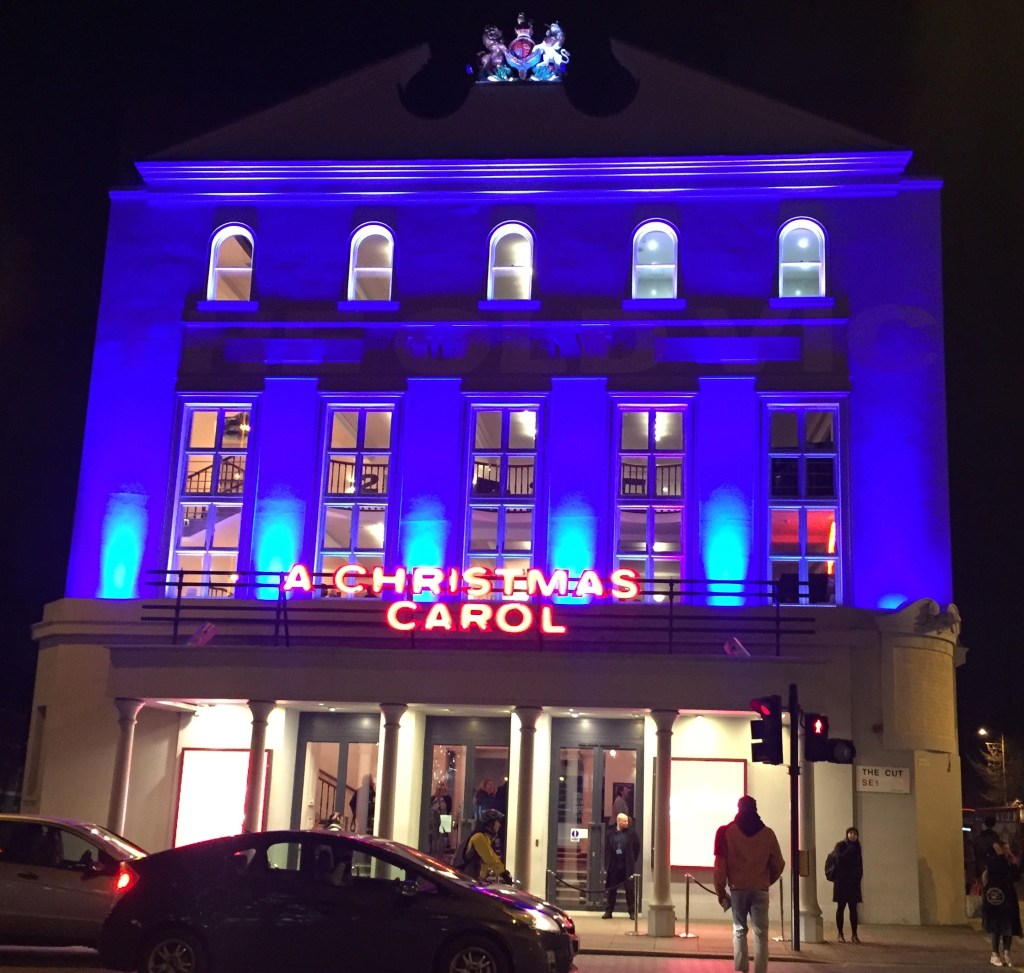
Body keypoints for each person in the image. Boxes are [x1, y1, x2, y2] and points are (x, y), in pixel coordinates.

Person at [713, 796, 785, 973]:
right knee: (761, 933)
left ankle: (741, 967)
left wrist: (720, 890)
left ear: (739, 808)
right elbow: (779, 864)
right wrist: (766, 881)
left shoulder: (725, 832)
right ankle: (761, 969)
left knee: (739, 930)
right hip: (760, 889)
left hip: (738, 889)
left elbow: (720, 865)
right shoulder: (768, 833)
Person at [983, 839, 1021, 967]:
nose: (1007, 852)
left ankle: (1006, 953)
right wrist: (1000, 855)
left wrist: (1014, 862)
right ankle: (994, 954)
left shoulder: (1007, 863)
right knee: (997, 927)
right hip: (997, 899)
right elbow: (999, 871)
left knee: (1008, 927)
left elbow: (1016, 877)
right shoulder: (994, 861)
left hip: (1009, 898)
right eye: (1005, 849)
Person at [603, 812, 640, 919]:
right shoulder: (610, 833)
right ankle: (609, 911)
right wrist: (607, 863)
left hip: (626, 866)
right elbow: (606, 849)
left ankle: (632, 912)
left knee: (629, 889)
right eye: (624, 821)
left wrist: (632, 860)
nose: (627, 822)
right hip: (614, 865)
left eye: (627, 821)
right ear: (618, 821)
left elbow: (637, 847)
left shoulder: (631, 833)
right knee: (612, 890)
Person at [459, 809, 512, 883]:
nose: (499, 825)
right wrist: (503, 873)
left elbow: (492, 856)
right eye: (497, 822)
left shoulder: (486, 838)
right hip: (469, 880)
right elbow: (489, 857)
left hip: (475, 880)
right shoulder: (479, 837)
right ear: (490, 823)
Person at [829, 827, 863, 943]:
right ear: (847, 834)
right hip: (841, 881)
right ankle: (840, 933)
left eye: (855, 834)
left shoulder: (858, 848)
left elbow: (859, 865)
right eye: (850, 833)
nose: (853, 835)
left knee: (853, 909)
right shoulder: (840, 845)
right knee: (841, 908)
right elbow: (839, 859)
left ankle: (854, 934)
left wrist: (859, 878)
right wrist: (850, 849)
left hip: (853, 883)